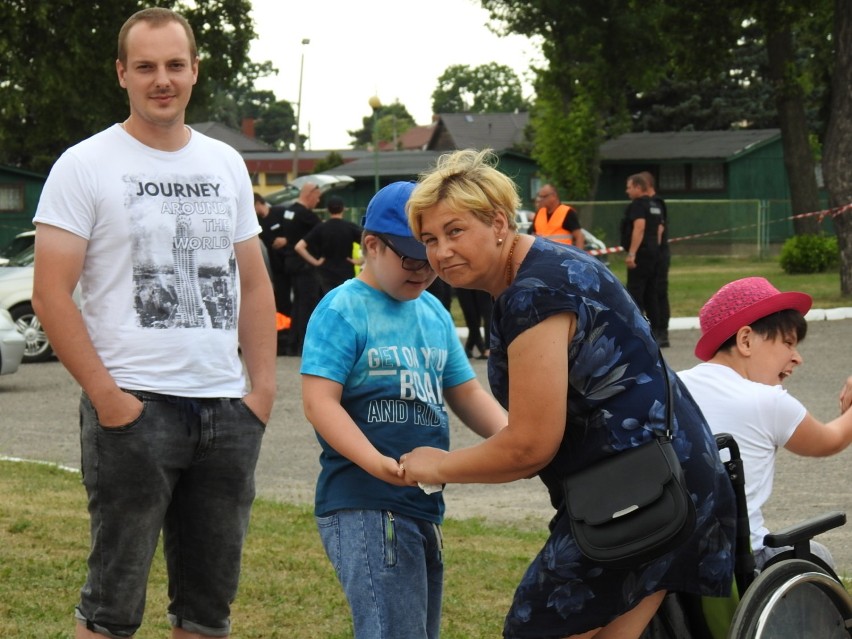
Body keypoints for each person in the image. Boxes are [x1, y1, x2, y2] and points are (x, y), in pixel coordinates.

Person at [401, 149, 735, 639]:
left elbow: (531, 446)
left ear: (498, 222)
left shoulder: (534, 293)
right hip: (667, 476)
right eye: (429, 239)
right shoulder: (541, 265)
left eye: (455, 232)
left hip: (644, 490)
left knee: (534, 627)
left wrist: (437, 465)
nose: (441, 251)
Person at [31, 8, 276, 639]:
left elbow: (252, 281)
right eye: (145, 67)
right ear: (122, 74)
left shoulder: (224, 163)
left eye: (173, 65)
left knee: (208, 611)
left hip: (226, 411)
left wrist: (261, 393)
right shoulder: (84, 164)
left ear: (195, 70)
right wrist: (108, 398)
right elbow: (51, 294)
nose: (160, 79)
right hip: (135, 409)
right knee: (112, 609)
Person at [299, 181, 506, 639]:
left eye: (431, 254)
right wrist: (376, 463)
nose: (425, 269)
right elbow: (319, 403)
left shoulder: (431, 311)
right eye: (412, 257)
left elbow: (466, 392)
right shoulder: (342, 309)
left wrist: (518, 437)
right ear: (371, 246)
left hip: (421, 503)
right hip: (365, 502)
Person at [678, 277, 852, 571]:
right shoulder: (767, 400)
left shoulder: (675, 385)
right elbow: (829, 440)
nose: (797, 358)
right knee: (818, 555)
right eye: (788, 343)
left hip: (671, 554)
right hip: (738, 561)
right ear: (745, 340)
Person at [279, 181, 323, 355]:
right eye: (318, 197)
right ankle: (305, 344)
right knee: (307, 305)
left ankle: (293, 343)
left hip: (290, 264)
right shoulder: (307, 215)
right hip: (305, 265)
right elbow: (321, 231)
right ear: (310, 194)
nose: (318, 202)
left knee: (297, 305)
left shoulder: (289, 211)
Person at [620, 172, 663, 340]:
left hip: (641, 254)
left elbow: (639, 227)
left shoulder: (638, 205)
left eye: (629, 187)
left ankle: (637, 331)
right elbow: (659, 230)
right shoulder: (655, 205)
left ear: (638, 187)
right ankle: (657, 331)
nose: (627, 191)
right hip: (654, 253)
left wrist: (632, 253)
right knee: (651, 292)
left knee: (635, 292)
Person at [294, 195, 363, 295]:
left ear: (327, 210)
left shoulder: (321, 227)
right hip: (346, 270)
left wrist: (315, 262)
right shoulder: (349, 227)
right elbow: (369, 242)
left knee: (328, 301)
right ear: (343, 209)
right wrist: (360, 261)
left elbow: (299, 247)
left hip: (325, 273)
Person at [640, 171, 671, 347]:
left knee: (659, 291)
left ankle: (662, 331)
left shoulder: (657, 203)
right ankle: (652, 328)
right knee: (648, 293)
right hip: (651, 255)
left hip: (658, 254)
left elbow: (659, 230)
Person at [254, 191, 291, 311]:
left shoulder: (280, 211)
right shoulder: (257, 223)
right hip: (276, 265)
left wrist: (286, 239)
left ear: (258, 203)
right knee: (281, 298)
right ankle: (283, 325)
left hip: (290, 259)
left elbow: (295, 228)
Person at [531, 183, 585, 249]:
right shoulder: (539, 212)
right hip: (543, 257)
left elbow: (579, 237)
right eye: (540, 196)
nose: (540, 199)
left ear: (554, 196)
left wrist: (578, 257)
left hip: (563, 257)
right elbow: (532, 235)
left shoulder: (567, 212)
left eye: (544, 197)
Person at [456, 287, 492, 359]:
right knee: (486, 310)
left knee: (471, 312)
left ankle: (486, 348)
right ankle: (471, 347)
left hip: (463, 279)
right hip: (483, 279)